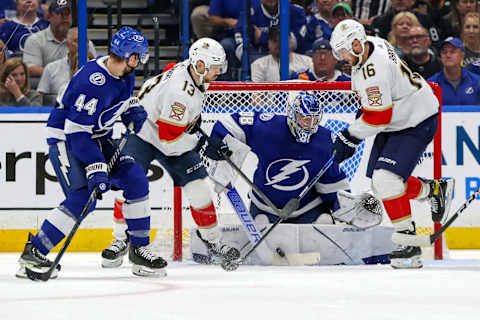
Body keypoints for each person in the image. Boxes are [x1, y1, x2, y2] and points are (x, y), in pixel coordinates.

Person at [15, 27, 168, 279]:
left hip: (95, 136)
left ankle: (139, 250)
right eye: (138, 56)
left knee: (135, 178)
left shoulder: (123, 74)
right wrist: (96, 165)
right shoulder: (92, 83)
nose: (141, 61)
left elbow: (111, 107)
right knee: (84, 197)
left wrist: (129, 110)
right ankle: (34, 252)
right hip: (66, 138)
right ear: (129, 57)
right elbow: (76, 132)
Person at [100, 38, 240, 269]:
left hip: (169, 128)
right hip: (145, 133)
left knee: (199, 190)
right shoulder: (179, 94)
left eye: (219, 66)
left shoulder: (192, 70)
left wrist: (192, 124)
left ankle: (213, 242)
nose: (219, 71)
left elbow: (168, 75)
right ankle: (121, 238)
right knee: (129, 184)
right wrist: (203, 145)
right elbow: (168, 135)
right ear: (200, 65)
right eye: (215, 67)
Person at [329, 19, 453, 269]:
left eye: (343, 50)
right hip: (399, 116)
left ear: (356, 43)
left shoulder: (373, 70)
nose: (342, 57)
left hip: (415, 120)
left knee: (387, 181)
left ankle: (409, 245)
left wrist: (349, 135)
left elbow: (378, 117)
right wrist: (360, 119)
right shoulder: (372, 44)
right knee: (381, 183)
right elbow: (377, 105)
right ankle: (432, 191)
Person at [208, 92, 350, 226]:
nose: (309, 124)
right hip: (265, 207)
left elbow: (333, 183)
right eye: (305, 118)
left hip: (308, 208)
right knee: (260, 223)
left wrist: (346, 211)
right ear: (292, 114)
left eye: (314, 119)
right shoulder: (268, 128)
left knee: (324, 221)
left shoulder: (325, 141)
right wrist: (218, 139)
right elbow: (230, 123)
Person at [22, 0, 96, 77]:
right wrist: (62, 75)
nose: (65, 18)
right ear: (49, 17)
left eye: (67, 14)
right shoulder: (35, 40)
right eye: (60, 14)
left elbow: (95, 66)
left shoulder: (83, 42)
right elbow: (30, 68)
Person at [234, 0, 308, 62]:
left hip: (290, 59)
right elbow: (240, 44)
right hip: (259, 58)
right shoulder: (249, 13)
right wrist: (258, 60)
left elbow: (295, 42)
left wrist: (262, 37)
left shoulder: (296, 11)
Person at [37, 27, 94, 104]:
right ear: (67, 44)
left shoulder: (98, 69)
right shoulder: (51, 68)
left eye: (86, 41)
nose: (82, 45)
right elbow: (40, 98)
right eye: (77, 41)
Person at [428, 37, 480, 105]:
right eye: (444, 52)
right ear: (440, 56)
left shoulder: (477, 82)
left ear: (462, 55)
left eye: (453, 51)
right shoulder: (431, 84)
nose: (448, 55)